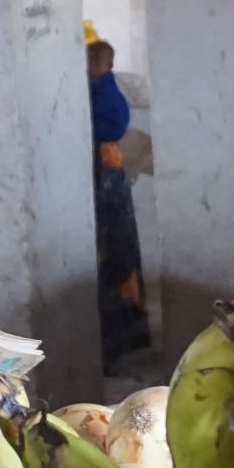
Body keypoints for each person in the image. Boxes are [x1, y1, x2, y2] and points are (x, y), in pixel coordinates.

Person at [88, 33, 149, 365]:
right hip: (96, 184)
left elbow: (114, 126)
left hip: (108, 184)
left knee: (116, 257)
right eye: (88, 60)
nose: (92, 66)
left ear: (110, 65)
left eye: (99, 61)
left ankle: (120, 340)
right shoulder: (82, 89)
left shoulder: (107, 93)